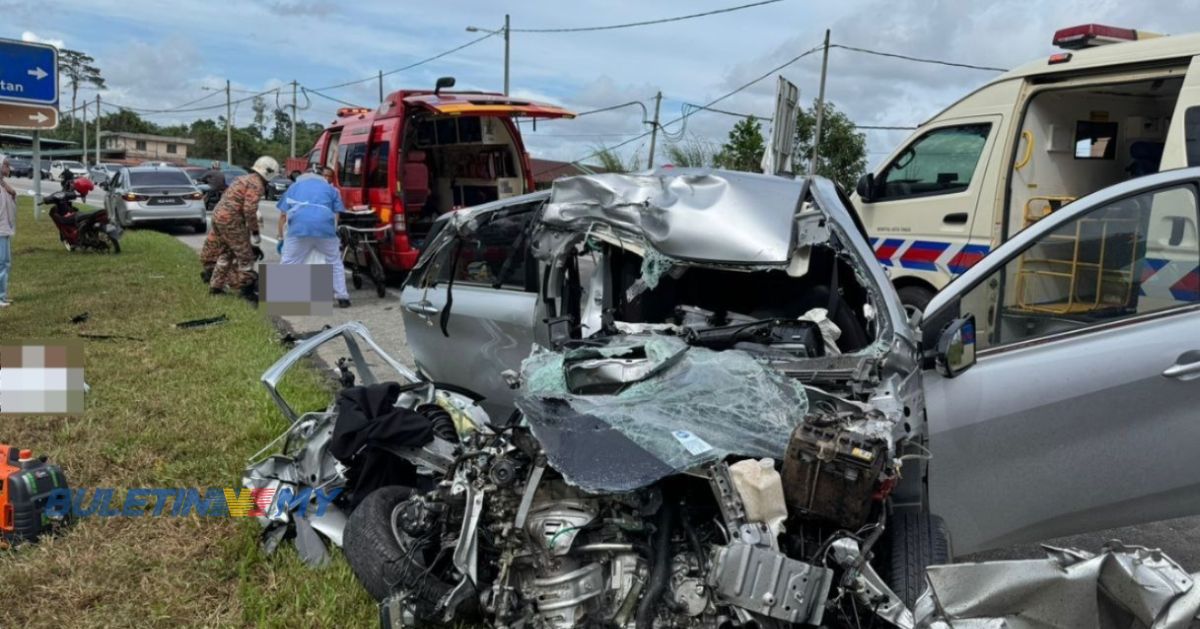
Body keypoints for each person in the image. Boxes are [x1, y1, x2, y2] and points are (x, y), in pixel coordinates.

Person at [204, 156, 276, 304]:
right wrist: (255, 232)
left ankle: (215, 287)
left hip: (218, 217)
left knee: (226, 253)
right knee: (246, 256)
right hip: (231, 221)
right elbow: (249, 210)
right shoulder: (257, 185)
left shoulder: (243, 179)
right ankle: (247, 292)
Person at [276, 165, 351, 307]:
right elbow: (337, 213)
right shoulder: (330, 189)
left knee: (289, 261)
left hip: (299, 229)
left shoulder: (294, 188)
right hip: (325, 229)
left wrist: (281, 237)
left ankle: (283, 299)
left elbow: (284, 214)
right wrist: (332, 231)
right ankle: (343, 298)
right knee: (334, 262)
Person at [0, 155, 15, 307]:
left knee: (5, 262)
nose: (8, 168)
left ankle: (2, 296)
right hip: (1, 230)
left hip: (5, 229)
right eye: (6, 165)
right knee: (1, 263)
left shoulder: (3, 185)